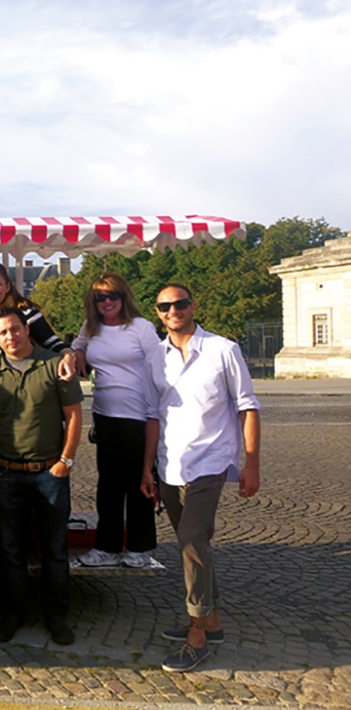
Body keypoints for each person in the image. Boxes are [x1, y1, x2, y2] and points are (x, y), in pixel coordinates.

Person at [140, 284, 261, 673]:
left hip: (212, 460)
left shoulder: (224, 350)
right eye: (164, 306)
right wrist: (147, 466)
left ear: (193, 306)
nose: (173, 310)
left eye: (180, 303)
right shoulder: (154, 357)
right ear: (157, 313)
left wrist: (252, 463)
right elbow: (153, 415)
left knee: (191, 540)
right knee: (196, 546)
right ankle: (213, 619)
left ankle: (197, 633)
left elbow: (247, 406)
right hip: (170, 463)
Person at [0, 306, 83, 646]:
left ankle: (57, 616)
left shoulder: (54, 365)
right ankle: (14, 614)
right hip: (7, 472)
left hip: (49, 471)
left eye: (15, 329)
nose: (10, 336)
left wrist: (66, 460)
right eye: (3, 332)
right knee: (11, 550)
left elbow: (75, 416)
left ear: (26, 329)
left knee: (55, 549)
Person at [71, 273, 161, 568]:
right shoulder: (91, 327)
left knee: (140, 482)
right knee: (108, 485)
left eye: (113, 296)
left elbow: (160, 367)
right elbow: (77, 343)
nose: (107, 302)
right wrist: (79, 353)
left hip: (139, 414)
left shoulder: (141, 327)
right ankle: (107, 547)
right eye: (100, 297)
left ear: (124, 297)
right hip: (105, 415)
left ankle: (140, 546)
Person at [0, 261, 76, 381]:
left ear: (7, 287)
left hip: (36, 372)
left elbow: (51, 341)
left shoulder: (25, 311)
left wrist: (68, 356)